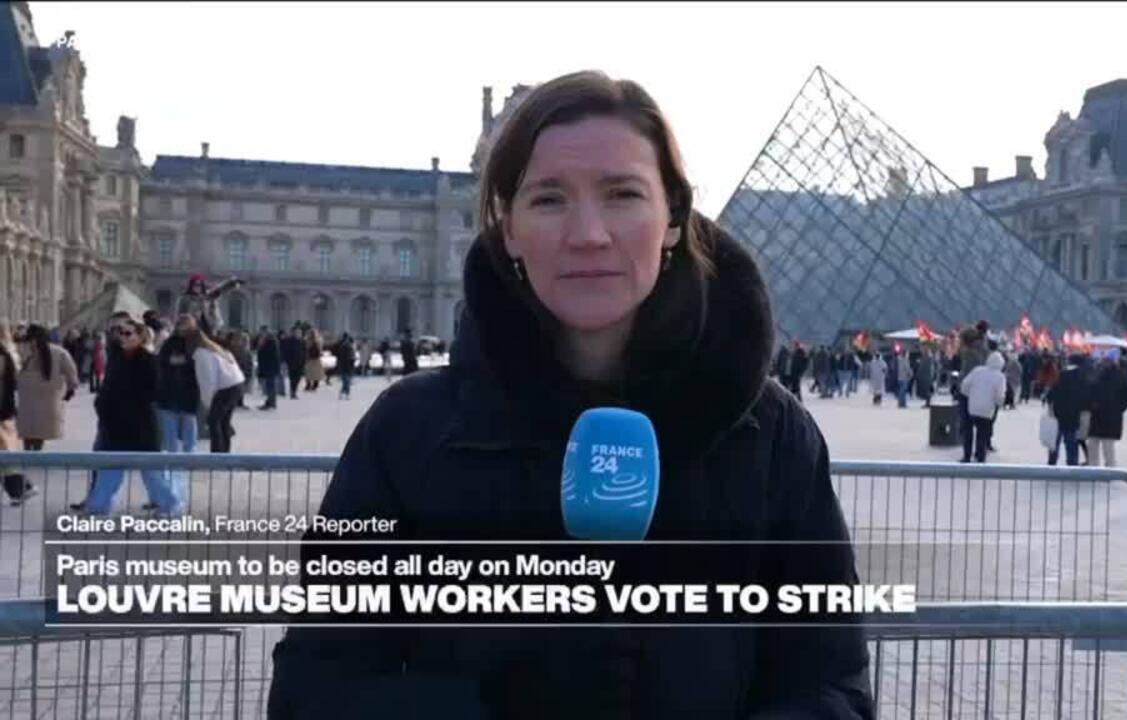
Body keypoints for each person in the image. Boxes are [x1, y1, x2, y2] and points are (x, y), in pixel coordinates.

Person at [268, 69, 873, 718]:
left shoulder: (774, 435)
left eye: (622, 194)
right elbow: (311, 695)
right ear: (507, 228)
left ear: (673, 218)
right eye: (549, 199)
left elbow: (832, 689)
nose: (588, 233)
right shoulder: (405, 434)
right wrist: (488, 704)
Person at [81, 320, 182, 516]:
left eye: (128, 333)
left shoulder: (149, 361)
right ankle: (98, 508)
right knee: (109, 470)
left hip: (140, 424)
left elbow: (154, 391)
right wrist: (101, 405)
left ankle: (170, 505)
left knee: (152, 473)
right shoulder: (117, 358)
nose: (123, 337)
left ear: (140, 336)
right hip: (115, 425)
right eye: (120, 333)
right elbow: (107, 388)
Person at [154, 314, 201, 508]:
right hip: (168, 391)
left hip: (189, 391)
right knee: (170, 428)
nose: (182, 328)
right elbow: (162, 362)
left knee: (189, 424)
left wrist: (180, 361)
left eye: (186, 325)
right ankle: (173, 456)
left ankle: (189, 456)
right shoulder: (169, 343)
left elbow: (198, 363)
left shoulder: (196, 343)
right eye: (180, 325)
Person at [14, 324, 79, 459]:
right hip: (48, 402)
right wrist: (70, 391)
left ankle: (29, 454)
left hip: (27, 402)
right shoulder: (59, 352)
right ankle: (35, 455)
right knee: (39, 431)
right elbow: (72, 374)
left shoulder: (21, 351)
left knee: (30, 431)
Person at [193, 329, 245, 453]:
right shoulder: (215, 348)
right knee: (224, 421)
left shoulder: (201, 353)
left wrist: (207, 402)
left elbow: (208, 379)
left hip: (226, 387)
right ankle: (225, 452)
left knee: (214, 421)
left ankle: (217, 453)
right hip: (236, 383)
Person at [1086, 351, 1127, 467]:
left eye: (1107, 360)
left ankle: (1108, 468)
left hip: (1109, 415)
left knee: (1106, 445)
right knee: (1095, 444)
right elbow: (1090, 390)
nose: (1104, 362)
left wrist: (1119, 408)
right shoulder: (1098, 373)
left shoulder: (1119, 375)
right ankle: (1096, 467)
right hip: (1100, 414)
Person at [959, 351, 1006, 463]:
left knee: (968, 432)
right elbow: (1000, 396)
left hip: (972, 407)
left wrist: (969, 395)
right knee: (982, 434)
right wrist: (999, 404)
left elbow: (965, 384)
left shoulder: (978, 370)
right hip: (987, 410)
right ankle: (980, 457)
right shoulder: (1000, 377)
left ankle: (966, 456)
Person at [1046, 353, 1089, 465]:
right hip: (1074, 414)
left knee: (1055, 440)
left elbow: (1051, 394)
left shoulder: (1062, 375)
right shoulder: (1085, 377)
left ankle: (1052, 462)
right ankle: (1072, 464)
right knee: (1071, 442)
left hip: (1059, 412)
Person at [0, 323, 26, 504]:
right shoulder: (8, 354)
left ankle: (20, 489)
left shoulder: (2, 356)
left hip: (2, 413)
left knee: (6, 455)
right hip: (5, 412)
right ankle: (21, 489)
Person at [256, 326, 282, 410]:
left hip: (270, 367)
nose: (261, 334)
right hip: (268, 367)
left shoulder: (270, 342)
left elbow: (268, 355)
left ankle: (271, 402)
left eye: (263, 332)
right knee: (269, 386)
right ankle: (270, 401)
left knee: (270, 386)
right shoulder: (267, 341)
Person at [281, 325, 306, 399]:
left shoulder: (302, 342)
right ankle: (293, 392)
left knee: (298, 378)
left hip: (300, 363)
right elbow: (285, 352)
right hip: (291, 363)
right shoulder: (288, 341)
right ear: (293, 333)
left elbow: (304, 352)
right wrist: (285, 361)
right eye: (297, 332)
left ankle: (293, 391)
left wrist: (304, 361)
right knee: (292, 378)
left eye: (300, 332)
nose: (299, 334)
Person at [334, 332, 356, 400]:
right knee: (346, 382)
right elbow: (351, 358)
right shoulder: (347, 347)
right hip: (346, 366)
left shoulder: (343, 346)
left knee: (346, 382)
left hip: (345, 366)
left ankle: (343, 393)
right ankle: (346, 394)